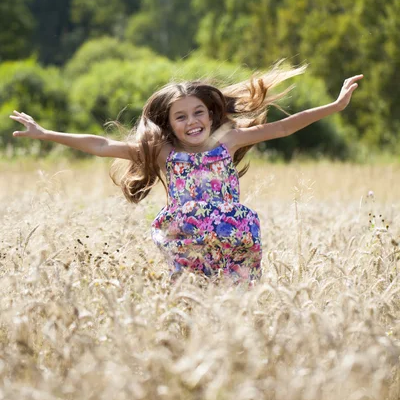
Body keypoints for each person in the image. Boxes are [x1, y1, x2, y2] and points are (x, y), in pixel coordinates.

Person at [9, 66, 363, 284]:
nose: (192, 121)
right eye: (181, 117)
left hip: (233, 236)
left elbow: (285, 128)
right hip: (186, 238)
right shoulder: (163, 153)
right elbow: (102, 144)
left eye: (198, 113)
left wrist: (334, 106)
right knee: (189, 297)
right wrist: (46, 133)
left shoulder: (228, 140)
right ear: (169, 124)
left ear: (211, 114)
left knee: (236, 299)